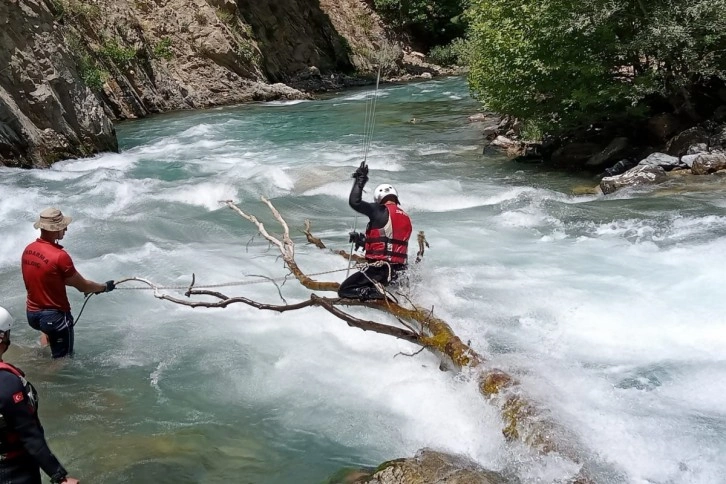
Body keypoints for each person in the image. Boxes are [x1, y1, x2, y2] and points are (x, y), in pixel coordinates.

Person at [0, 306, 80, 484]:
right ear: (2, 338)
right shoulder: (6, 382)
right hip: (15, 470)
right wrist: (59, 476)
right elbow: (29, 434)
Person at [21, 208, 115, 359]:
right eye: (62, 226)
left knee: (47, 333)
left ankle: (43, 354)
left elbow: (55, 277)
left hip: (32, 314)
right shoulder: (60, 256)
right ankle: (41, 378)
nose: (66, 229)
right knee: (63, 361)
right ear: (54, 229)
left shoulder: (28, 250)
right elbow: (82, 286)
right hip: (55, 318)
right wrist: (103, 287)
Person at [338, 162, 412, 300]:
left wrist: (360, 180)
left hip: (380, 270)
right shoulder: (406, 217)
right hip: (399, 272)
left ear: (379, 199)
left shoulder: (380, 210)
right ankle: (384, 295)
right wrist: (364, 241)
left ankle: (379, 295)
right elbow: (389, 242)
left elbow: (355, 202)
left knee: (345, 290)